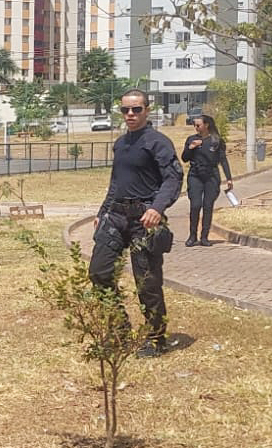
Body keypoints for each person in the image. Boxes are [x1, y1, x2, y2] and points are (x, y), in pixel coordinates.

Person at [89, 89, 183, 357]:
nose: (130, 114)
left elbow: (173, 179)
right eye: (125, 110)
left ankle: (155, 338)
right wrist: (103, 211)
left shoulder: (158, 142)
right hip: (116, 217)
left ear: (147, 110)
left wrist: (157, 208)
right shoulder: (121, 144)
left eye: (136, 109)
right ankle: (119, 331)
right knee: (99, 272)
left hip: (145, 221)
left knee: (147, 282)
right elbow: (116, 182)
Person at [182, 114, 234, 247]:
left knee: (208, 206)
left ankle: (204, 236)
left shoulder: (216, 141)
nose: (196, 127)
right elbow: (184, 158)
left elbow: (223, 160)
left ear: (206, 125)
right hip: (195, 175)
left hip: (211, 175)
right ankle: (192, 236)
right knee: (195, 205)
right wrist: (190, 148)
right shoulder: (191, 139)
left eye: (198, 125)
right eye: (194, 125)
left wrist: (229, 178)